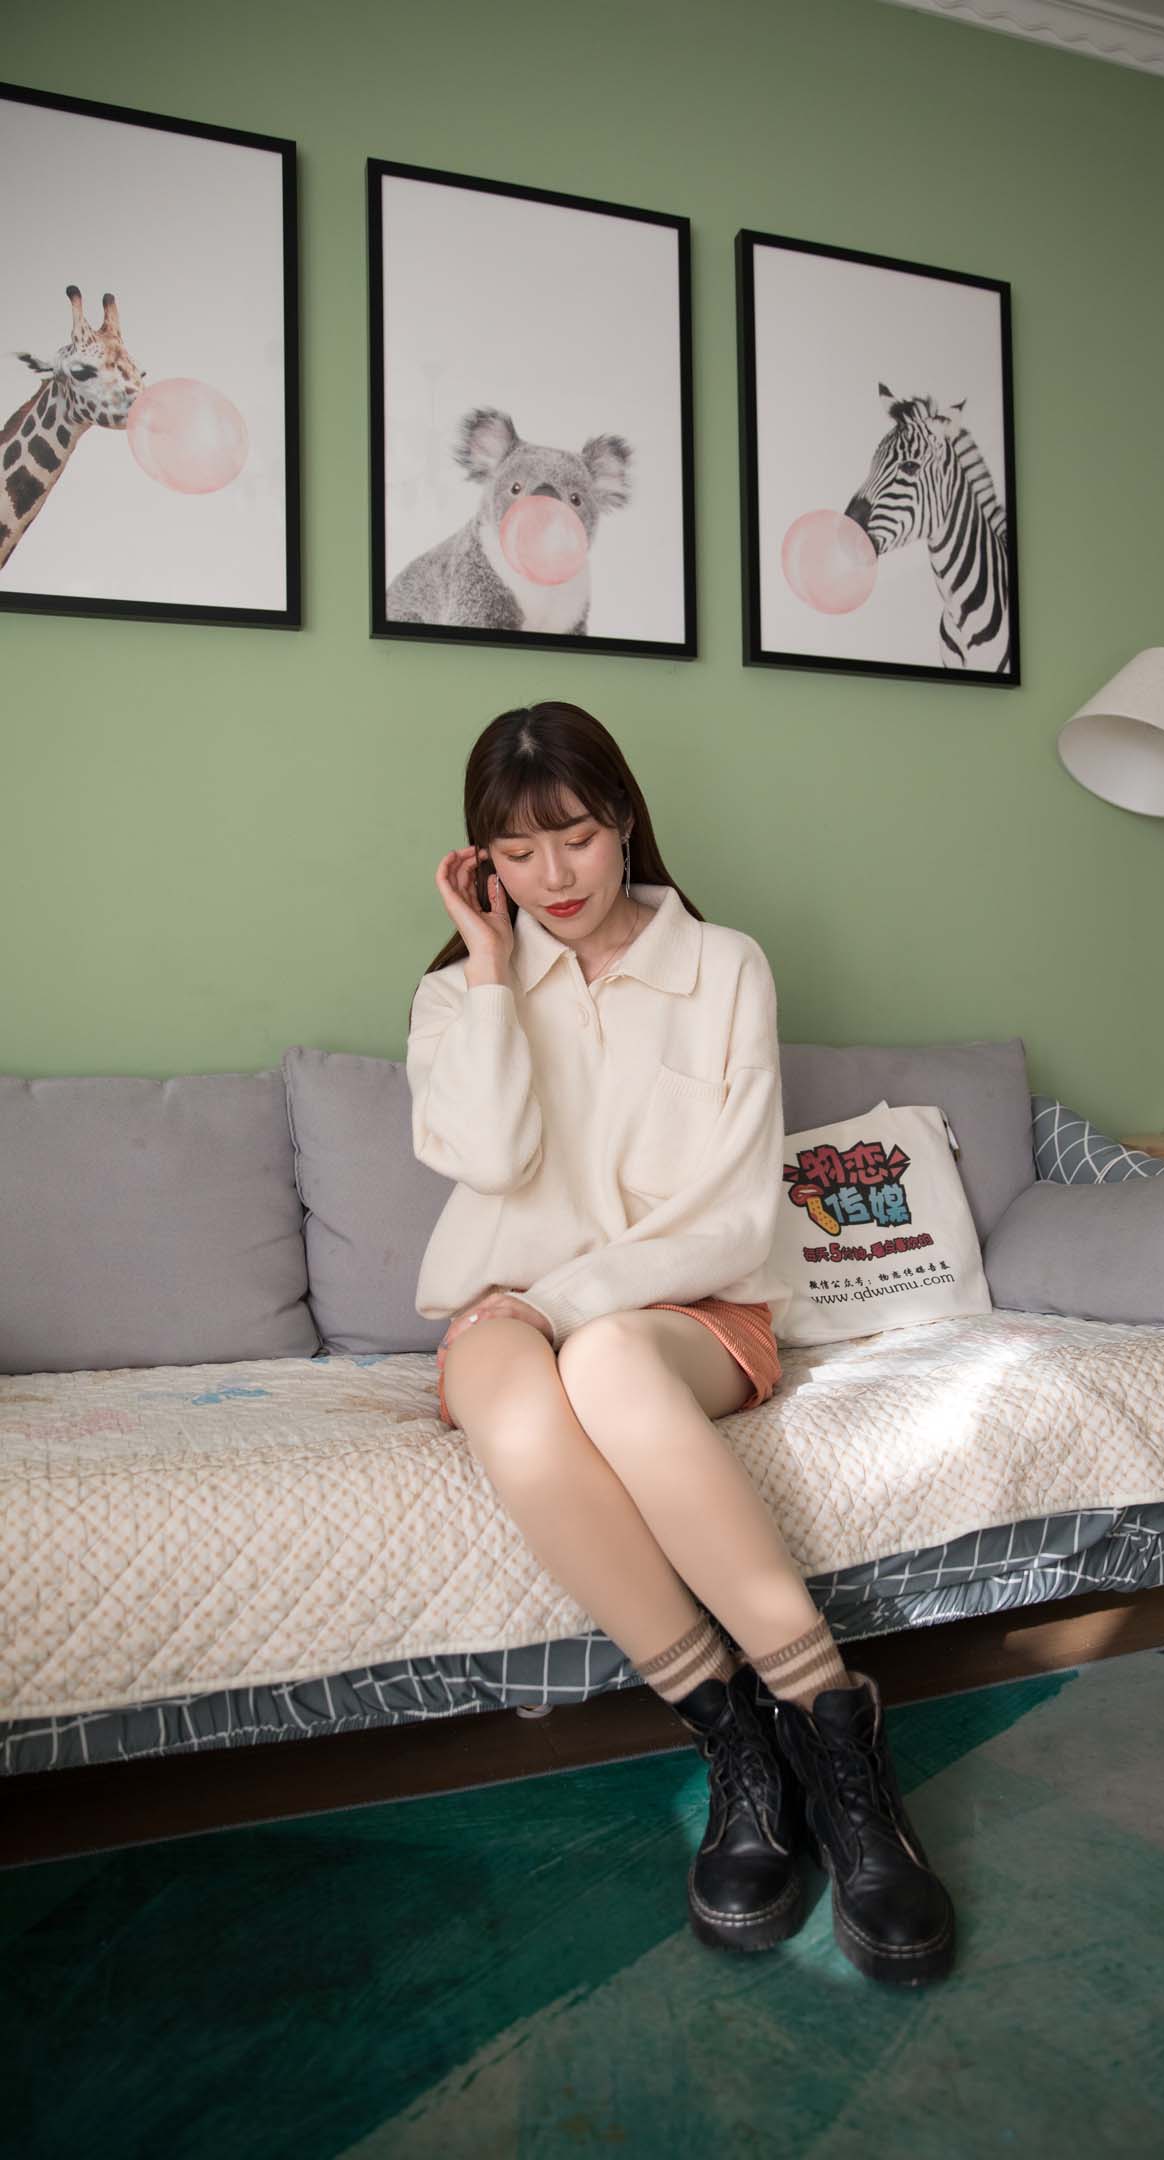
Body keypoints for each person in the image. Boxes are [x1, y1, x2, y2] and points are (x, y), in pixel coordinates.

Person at [405, 699, 954, 1986]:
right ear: (482, 861)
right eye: (518, 854)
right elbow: (487, 1157)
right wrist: (488, 971)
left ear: (624, 819)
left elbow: (734, 1217)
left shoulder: (724, 967)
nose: (553, 877)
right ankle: (737, 1744)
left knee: (602, 1359)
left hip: (690, 1306)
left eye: (577, 839)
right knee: (519, 1395)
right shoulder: (454, 996)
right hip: (505, 1313)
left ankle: (837, 1736)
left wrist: (567, 1303)